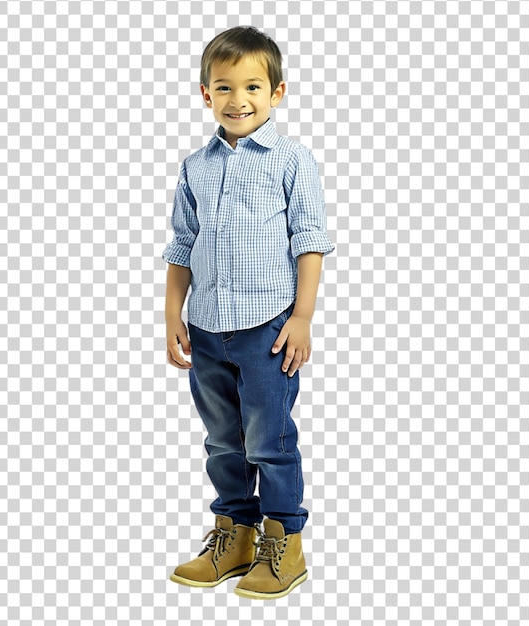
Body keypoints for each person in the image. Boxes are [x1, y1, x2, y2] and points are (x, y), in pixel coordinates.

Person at [162, 25, 334, 600]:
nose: (239, 100)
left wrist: (302, 317)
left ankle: (284, 542)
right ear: (205, 94)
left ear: (277, 93)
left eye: (254, 87)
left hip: (268, 330)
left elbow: (308, 241)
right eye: (225, 87)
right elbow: (182, 246)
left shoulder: (293, 161)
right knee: (222, 441)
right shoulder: (196, 166)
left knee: (270, 440)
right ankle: (234, 534)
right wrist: (171, 313)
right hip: (209, 329)